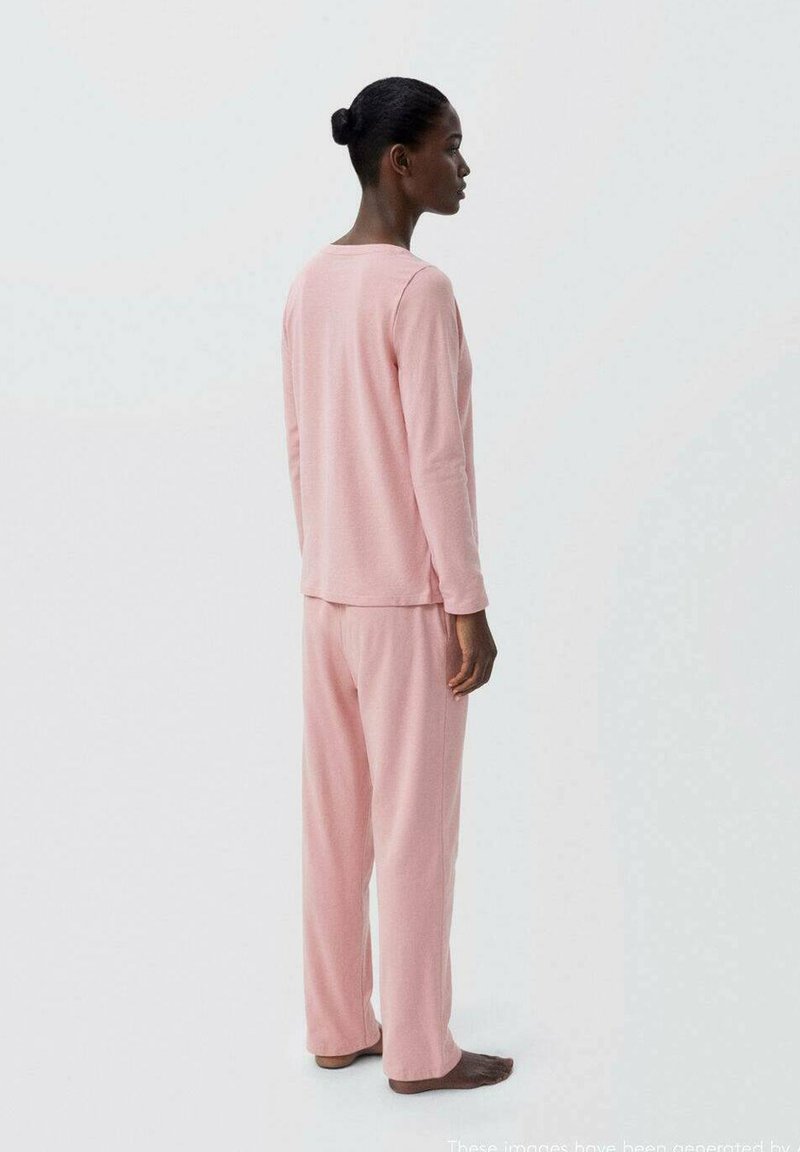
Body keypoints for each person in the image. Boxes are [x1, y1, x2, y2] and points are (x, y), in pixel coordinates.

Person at [281, 76, 513, 1094]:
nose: (463, 167)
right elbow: (438, 462)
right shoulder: (418, 291)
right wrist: (467, 603)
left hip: (328, 596)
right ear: (399, 163)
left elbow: (299, 443)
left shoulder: (311, 282)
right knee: (415, 830)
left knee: (335, 821)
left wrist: (324, 564)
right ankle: (420, 1050)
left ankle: (337, 1023)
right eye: (450, 147)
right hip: (406, 605)